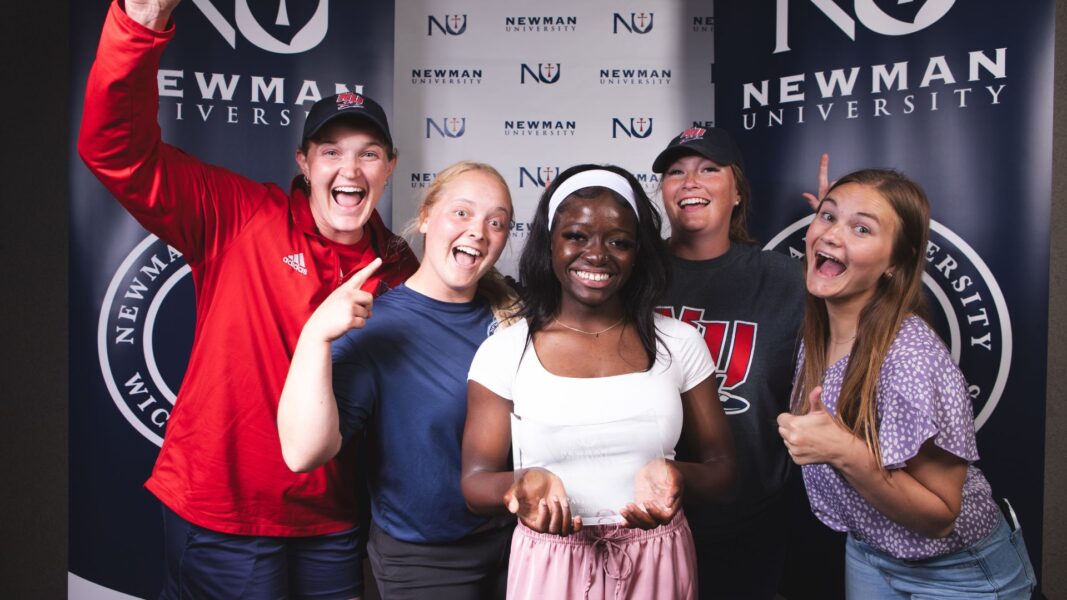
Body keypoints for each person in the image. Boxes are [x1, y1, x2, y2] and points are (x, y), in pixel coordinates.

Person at [77, 1, 418, 597]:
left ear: (389, 167)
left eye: (368, 153)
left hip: (334, 522)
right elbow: (115, 151)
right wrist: (140, 22)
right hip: (222, 515)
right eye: (332, 152)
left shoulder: (400, 268)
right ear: (305, 164)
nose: (351, 168)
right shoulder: (238, 214)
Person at [461, 165, 736, 599]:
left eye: (619, 242)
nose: (597, 254)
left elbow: (724, 470)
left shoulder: (679, 342)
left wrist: (677, 475)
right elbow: (475, 483)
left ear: (638, 252)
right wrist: (520, 484)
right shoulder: (505, 350)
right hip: (550, 563)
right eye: (576, 236)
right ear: (549, 241)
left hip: (658, 560)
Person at [777, 169, 1036, 599]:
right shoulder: (820, 331)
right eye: (826, 217)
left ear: (895, 263)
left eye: (862, 228)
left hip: (958, 569)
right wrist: (847, 228)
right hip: (870, 551)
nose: (831, 234)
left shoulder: (909, 356)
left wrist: (844, 451)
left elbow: (940, 516)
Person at [277, 161, 518, 599]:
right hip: (425, 559)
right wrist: (314, 336)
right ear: (426, 216)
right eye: (461, 213)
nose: (479, 231)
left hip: (518, 546)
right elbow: (302, 454)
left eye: (496, 221)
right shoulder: (377, 327)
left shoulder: (515, 316)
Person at [651, 128, 842, 599]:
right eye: (676, 172)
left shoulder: (785, 279)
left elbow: (880, 311)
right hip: (644, 519)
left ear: (738, 192)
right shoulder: (632, 273)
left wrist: (839, 237)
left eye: (709, 169)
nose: (690, 181)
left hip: (748, 521)